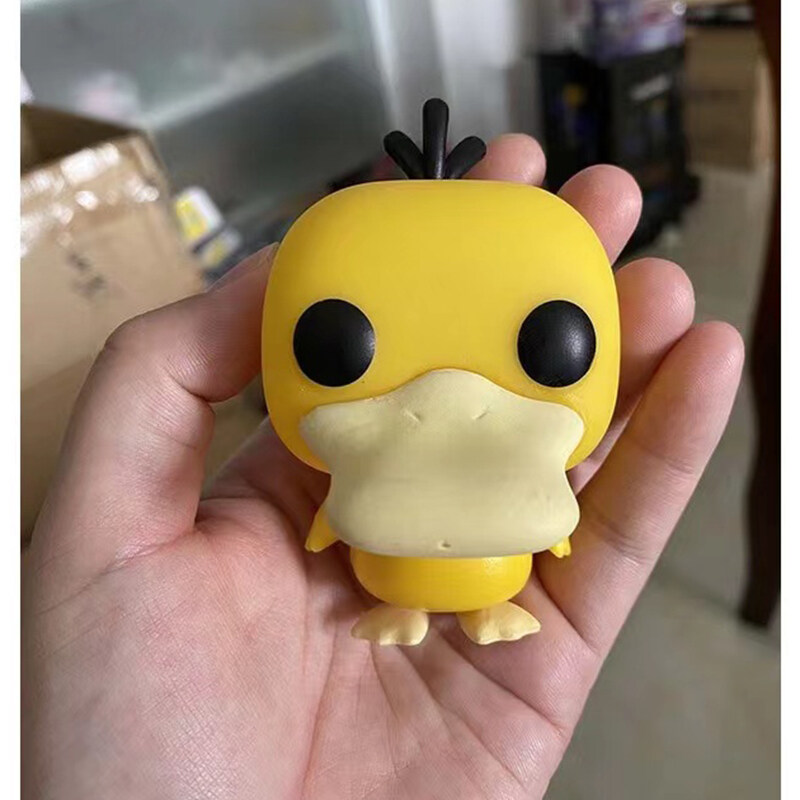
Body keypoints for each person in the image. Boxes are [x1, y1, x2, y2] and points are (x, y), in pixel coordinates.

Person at [22, 135, 743, 800]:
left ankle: (482, 604)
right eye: (336, 347)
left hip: (492, 565)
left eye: (551, 347)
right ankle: (406, 605)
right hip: (381, 569)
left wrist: (551, 531)